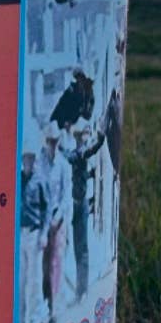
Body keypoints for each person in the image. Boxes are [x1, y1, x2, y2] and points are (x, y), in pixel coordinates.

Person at [63, 117, 105, 302]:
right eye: (83, 136)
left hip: (79, 204)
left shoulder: (78, 154)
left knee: (81, 249)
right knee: (79, 248)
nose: (84, 139)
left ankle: (82, 290)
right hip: (76, 203)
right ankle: (81, 289)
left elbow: (83, 153)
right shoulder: (78, 154)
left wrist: (101, 138)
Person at [38, 121, 71, 323]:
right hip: (43, 220)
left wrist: (59, 217)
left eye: (55, 141)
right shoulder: (38, 164)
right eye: (49, 141)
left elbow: (66, 196)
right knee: (42, 264)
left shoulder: (64, 165)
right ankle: (43, 304)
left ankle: (54, 306)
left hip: (58, 220)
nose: (52, 144)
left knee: (56, 263)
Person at [19, 135, 48, 323]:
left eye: (30, 158)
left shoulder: (40, 181)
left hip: (35, 233)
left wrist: (44, 234)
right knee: (20, 280)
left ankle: (35, 318)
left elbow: (47, 209)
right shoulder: (18, 179)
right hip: (19, 233)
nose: (28, 161)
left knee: (34, 279)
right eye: (25, 158)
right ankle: (21, 322)